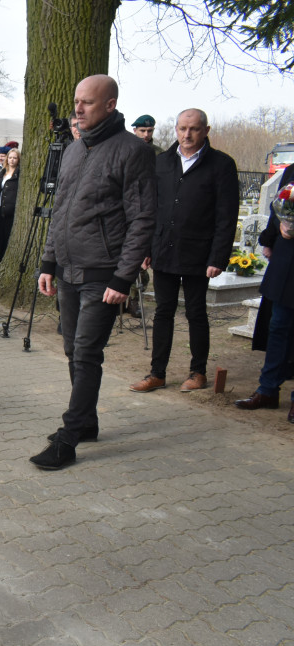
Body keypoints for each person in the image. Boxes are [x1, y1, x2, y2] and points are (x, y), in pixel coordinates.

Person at [30, 74, 156, 471]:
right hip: (67, 269)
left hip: (104, 274)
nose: (78, 109)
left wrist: (123, 278)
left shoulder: (133, 151)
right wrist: (48, 263)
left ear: (110, 105)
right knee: (72, 349)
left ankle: (69, 437)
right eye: (76, 101)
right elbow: (60, 210)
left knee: (86, 352)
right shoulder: (73, 149)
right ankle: (87, 422)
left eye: (87, 102)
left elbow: (142, 219)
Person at [129, 109, 239, 394]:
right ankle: (157, 373)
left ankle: (198, 371)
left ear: (206, 130)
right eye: (182, 128)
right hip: (163, 250)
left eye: (193, 129)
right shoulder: (162, 162)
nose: (187, 135)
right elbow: (150, 208)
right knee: (162, 312)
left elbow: (226, 215)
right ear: (175, 130)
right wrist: (145, 247)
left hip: (198, 254)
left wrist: (218, 257)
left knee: (195, 312)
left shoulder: (221, 165)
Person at [234, 173, 294, 422]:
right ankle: (267, 389)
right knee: (278, 327)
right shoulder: (292, 170)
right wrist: (273, 235)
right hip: (288, 259)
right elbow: (279, 208)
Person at [0, 147, 21, 266]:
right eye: (10, 157)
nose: (12, 160)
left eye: (15, 158)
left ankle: (6, 260)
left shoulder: (19, 174)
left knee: (8, 235)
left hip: (10, 209)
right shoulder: (2, 172)